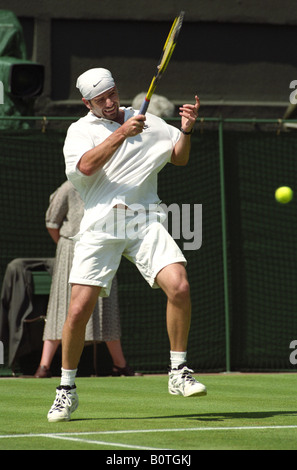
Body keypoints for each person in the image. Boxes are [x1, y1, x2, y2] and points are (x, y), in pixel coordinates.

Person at [47, 68, 207, 423]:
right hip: (102, 224)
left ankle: (178, 371)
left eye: (112, 93)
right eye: (100, 98)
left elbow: (179, 157)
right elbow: (85, 168)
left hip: (145, 221)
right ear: (86, 103)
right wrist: (122, 132)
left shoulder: (147, 121)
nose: (109, 101)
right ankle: (66, 390)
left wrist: (186, 128)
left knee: (179, 286)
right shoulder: (79, 131)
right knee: (77, 311)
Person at [35, 180, 140, 378]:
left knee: (105, 304)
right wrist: (67, 246)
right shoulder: (68, 187)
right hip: (71, 251)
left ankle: (120, 365)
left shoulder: (110, 187)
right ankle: (44, 366)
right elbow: (52, 223)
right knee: (62, 305)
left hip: (102, 248)